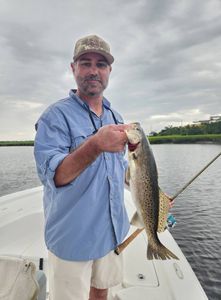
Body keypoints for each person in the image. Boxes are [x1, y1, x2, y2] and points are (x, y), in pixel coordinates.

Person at [34, 35, 130, 300]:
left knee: (102, 292)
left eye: (101, 64)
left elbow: (120, 168)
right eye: (85, 63)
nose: (93, 71)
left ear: (109, 71)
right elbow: (56, 176)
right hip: (72, 238)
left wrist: (155, 196)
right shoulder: (54, 117)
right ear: (73, 68)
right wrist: (95, 144)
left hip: (111, 231)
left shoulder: (115, 117)